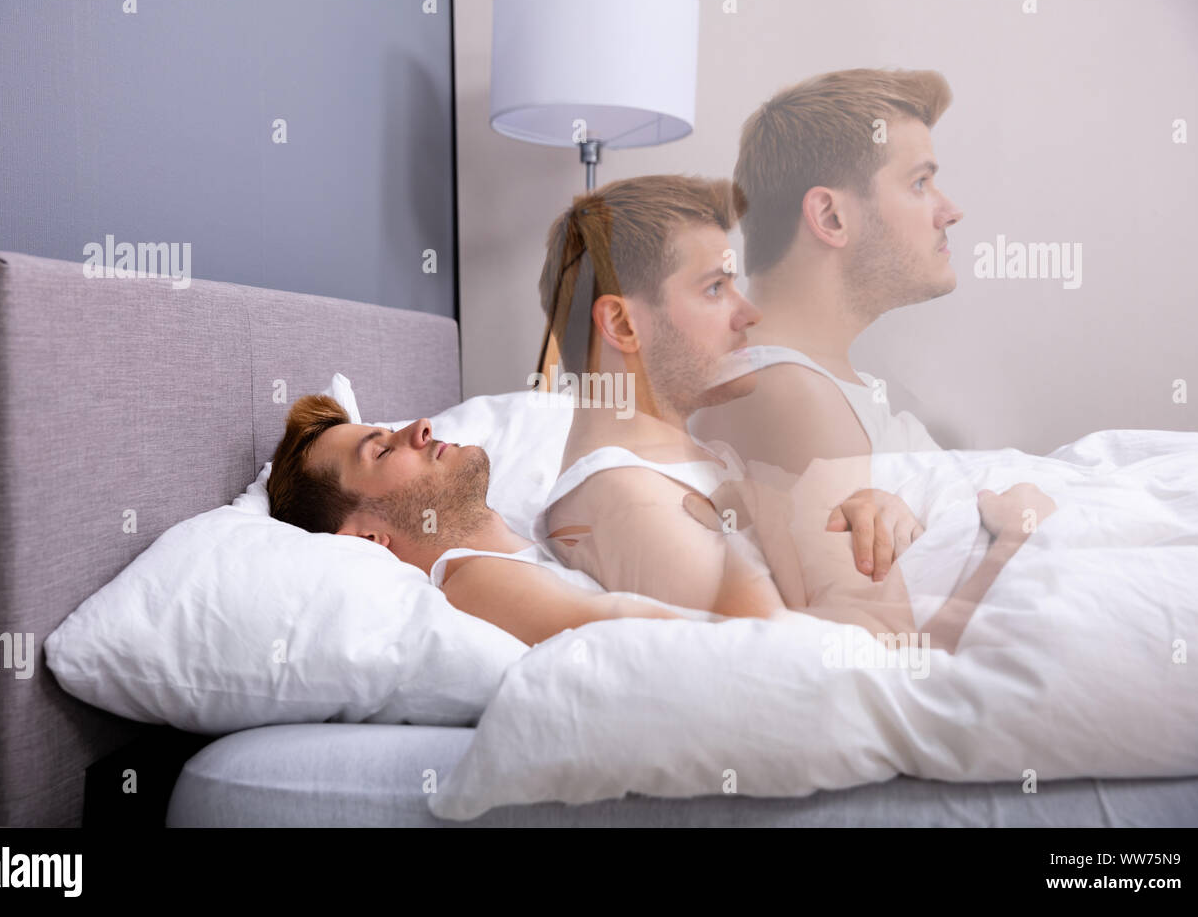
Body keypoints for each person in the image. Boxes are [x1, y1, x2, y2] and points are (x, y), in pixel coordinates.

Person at [532, 173, 1052, 652]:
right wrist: (1012, 543)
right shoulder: (630, 501)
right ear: (622, 326)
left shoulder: (689, 470)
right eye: (715, 288)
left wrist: (871, 511)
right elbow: (848, 684)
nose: (748, 314)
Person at [266, 393, 712, 647]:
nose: (420, 427)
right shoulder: (473, 579)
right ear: (368, 538)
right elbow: (638, 636)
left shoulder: (546, 538)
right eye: (382, 451)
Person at [692, 68, 962, 474]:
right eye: (920, 183)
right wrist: (1012, 525)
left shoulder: (815, 388)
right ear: (831, 217)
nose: (950, 212)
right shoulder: (789, 396)